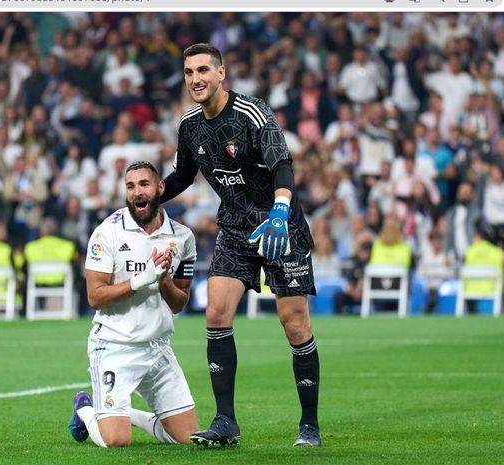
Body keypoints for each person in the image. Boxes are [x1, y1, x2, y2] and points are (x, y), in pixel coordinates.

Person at [161, 43, 321, 447]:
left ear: (221, 74)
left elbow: (282, 165)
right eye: (188, 72)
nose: (195, 79)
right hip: (234, 226)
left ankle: (309, 425)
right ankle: (226, 422)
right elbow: (182, 175)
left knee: (294, 323)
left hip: (279, 226)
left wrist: (281, 212)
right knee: (215, 313)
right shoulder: (190, 125)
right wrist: (151, 194)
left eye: (202, 71)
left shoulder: (252, 113)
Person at [69, 161, 199, 448]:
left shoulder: (183, 238)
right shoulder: (108, 232)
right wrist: (141, 280)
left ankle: (124, 413)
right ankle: (86, 409)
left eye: (144, 184)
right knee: (116, 440)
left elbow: (179, 303)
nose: (137, 192)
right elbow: (94, 297)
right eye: (130, 186)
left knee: (188, 440)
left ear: (160, 188)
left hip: (157, 348)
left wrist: (164, 280)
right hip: (116, 345)